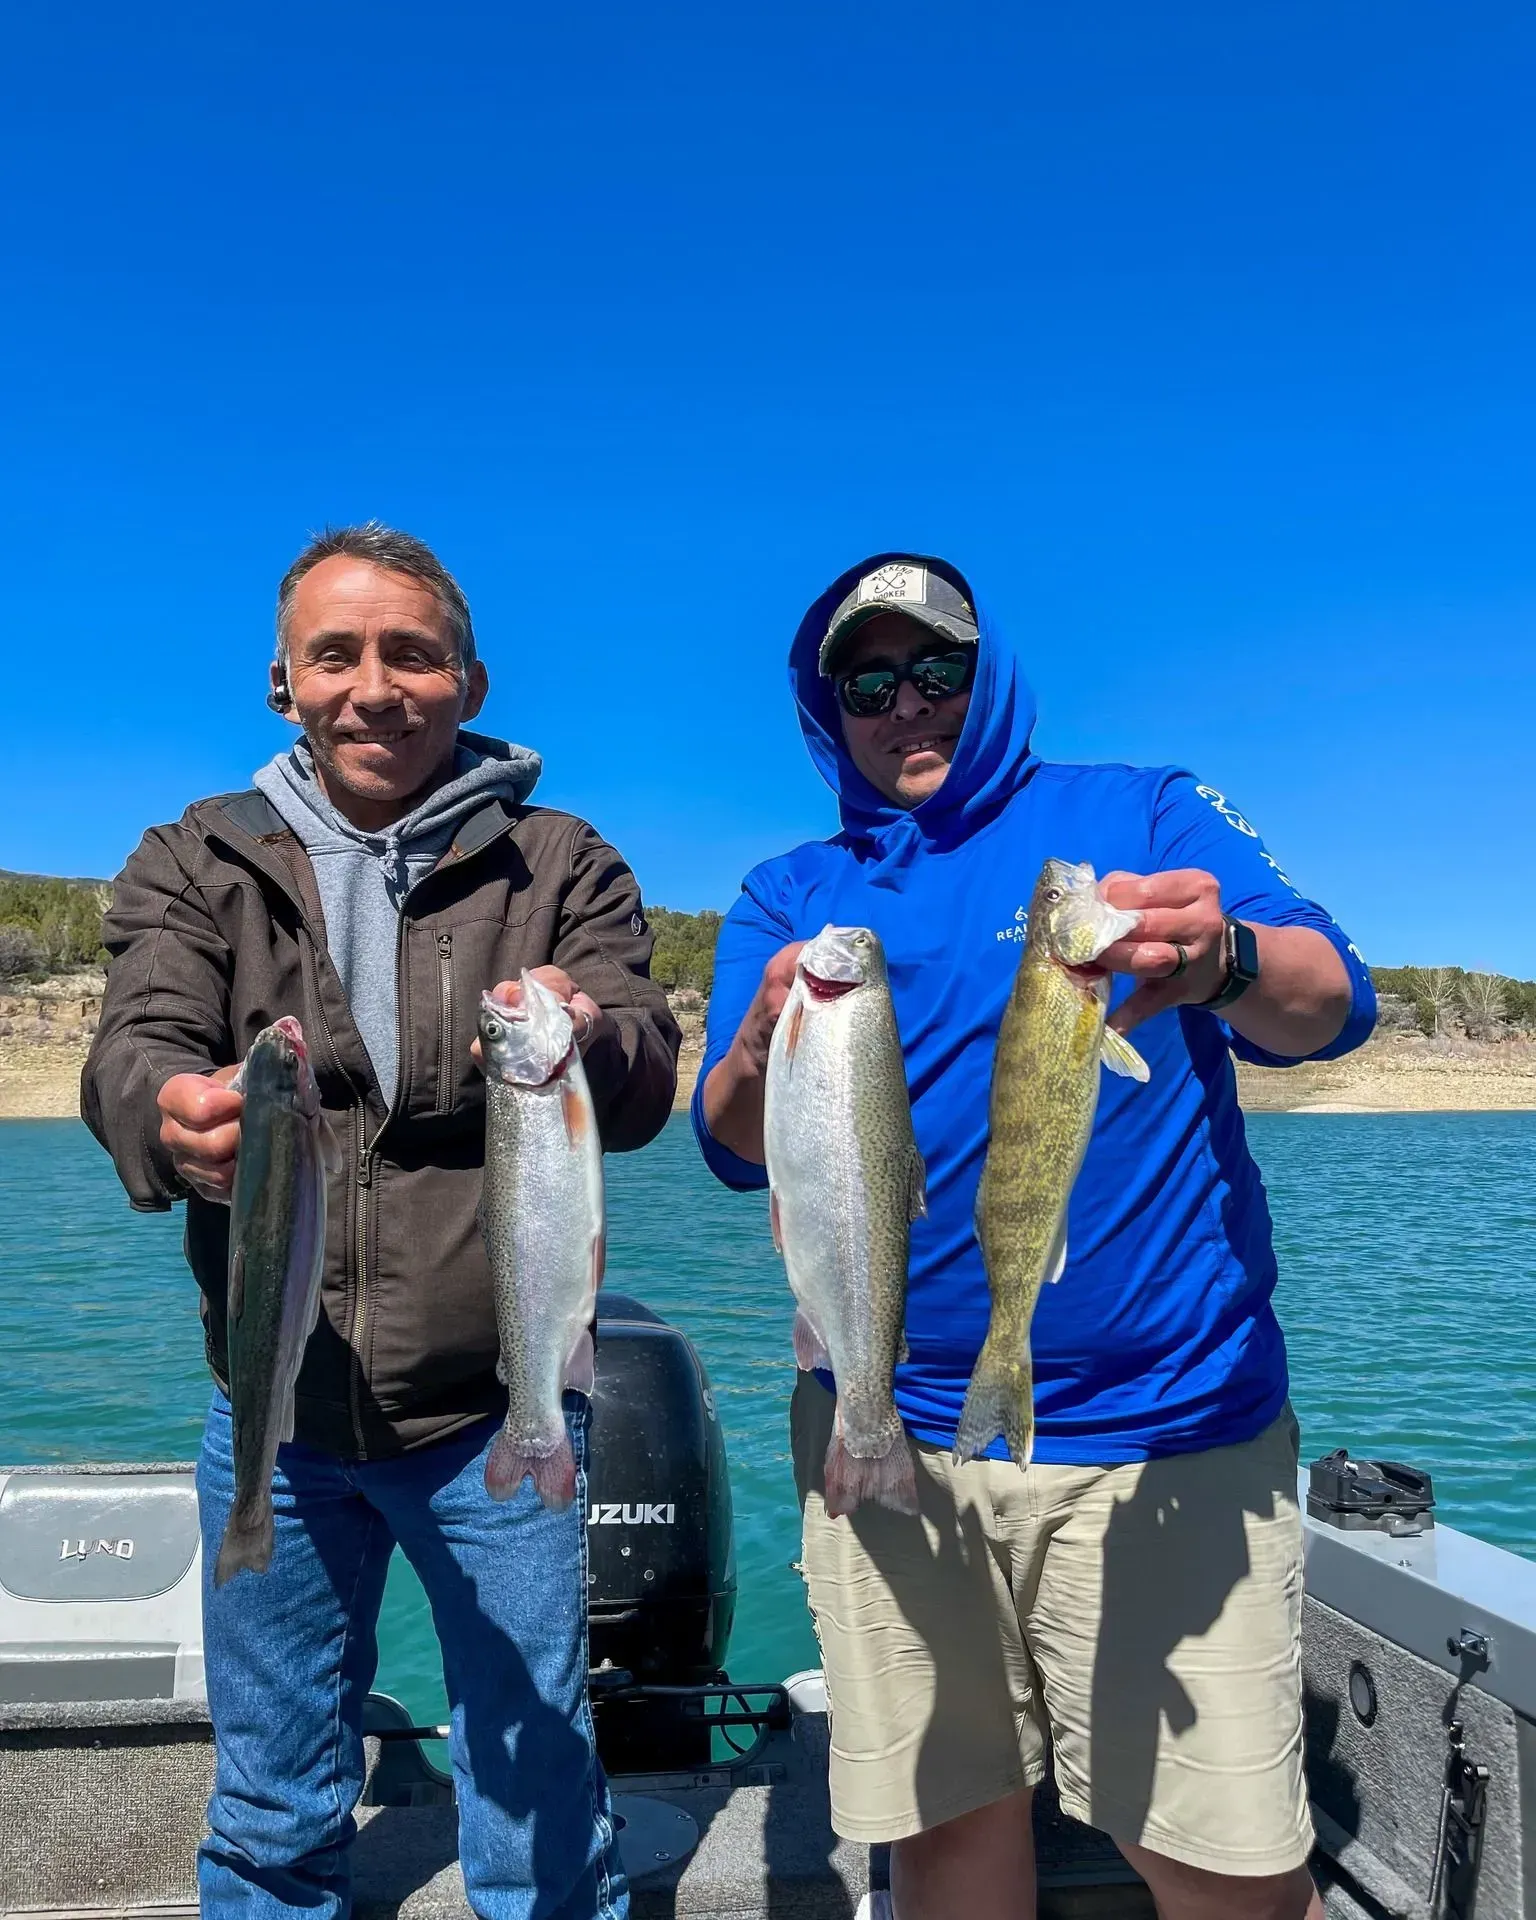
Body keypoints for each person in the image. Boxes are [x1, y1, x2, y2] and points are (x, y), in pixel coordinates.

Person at [693, 555, 1375, 1920]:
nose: (906, 706)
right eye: (868, 683)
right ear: (830, 711)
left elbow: (1330, 1002)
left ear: (988, 671)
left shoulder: (1141, 814)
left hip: (1164, 1438)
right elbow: (730, 1143)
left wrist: (1225, 958)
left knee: (1222, 1865)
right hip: (886, 1434)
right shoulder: (789, 892)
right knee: (947, 1837)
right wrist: (768, 1035)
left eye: (936, 669)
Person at [83, 523, 679, 1920]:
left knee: (537, 1787)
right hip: (275, 1409)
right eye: (334, 655)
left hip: (496, 1409)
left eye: (411, 654)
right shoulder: (196, 857)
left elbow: (645, 1059)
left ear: (468, 681)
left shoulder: (557, 861)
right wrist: (170, 1113)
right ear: (282, 683)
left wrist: (589, 1035)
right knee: (274, 1795)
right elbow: (135, 1041)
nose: (373, 686)